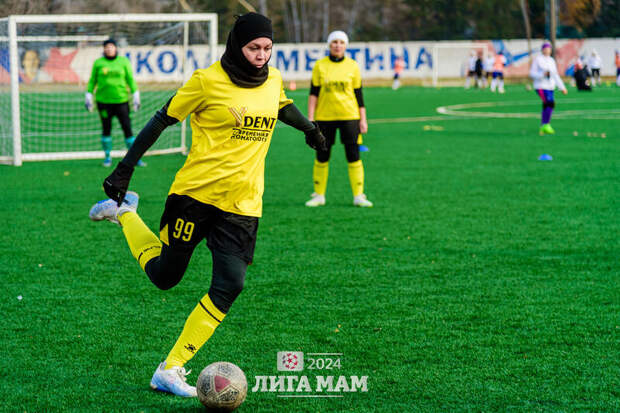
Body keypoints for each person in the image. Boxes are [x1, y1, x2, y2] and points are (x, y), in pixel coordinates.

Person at [88, 13, 326, 397]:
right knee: (166, 277)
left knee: (231, 284)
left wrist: (310, 129)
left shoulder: (274, 79)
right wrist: (124, 169)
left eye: (267, 48)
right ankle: (125, 212)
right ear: (236, 45)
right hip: (195, 197)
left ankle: (170, 368)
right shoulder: (206, 80)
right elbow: (161, 120)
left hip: (243, 204)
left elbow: (281, 105)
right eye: (253, 48)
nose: (261, 55)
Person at [305, 30, 372, 208]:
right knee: (322, 155)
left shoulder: (353, 66)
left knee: (353, 155)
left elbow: (359, 95)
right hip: (324, 118)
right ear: (329, 44)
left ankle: (358, 196)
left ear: (346, 46)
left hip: (350, 117)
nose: (337, 45)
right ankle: (319, 195)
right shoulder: (320, 65)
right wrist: (310, 118)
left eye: (341, 42)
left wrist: (363, 119)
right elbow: (313, 93)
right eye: (334, 42)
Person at [86, 38, 145, 167]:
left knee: (127, 128)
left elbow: (130, 79)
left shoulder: (123, 61)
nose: (109, 49)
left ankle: (134, 158)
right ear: (104, 49)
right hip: (103, 102)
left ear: (116, 48)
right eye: (106, 47)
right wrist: (88, 94)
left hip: (121, 101)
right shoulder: (98, 63)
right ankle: (107, 157)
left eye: (111, 47)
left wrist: (136, 94)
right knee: (106, 129)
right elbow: (92, 80)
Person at [529, 42, 567, 135]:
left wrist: (562, 87)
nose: (547, 50)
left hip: (550, 87)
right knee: (550, 103)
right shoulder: (538, 60)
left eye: (549, 49)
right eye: (545, 49)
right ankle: (546, 125)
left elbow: (555, 75)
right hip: (540, 86)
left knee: (547, 105)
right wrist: (542, 74)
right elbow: (532, 73)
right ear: (542, 50)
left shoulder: (551, 60)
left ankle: (544, 125)